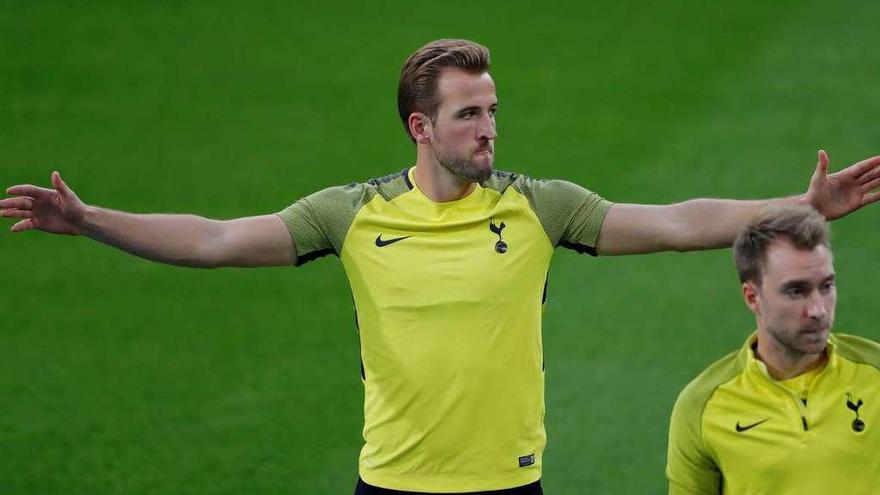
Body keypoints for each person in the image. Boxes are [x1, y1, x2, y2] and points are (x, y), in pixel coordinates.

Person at [3, 39, 880, 494]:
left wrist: (798, 208)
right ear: (421, 128)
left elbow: (677, 221)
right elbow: (217, 239)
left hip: (509, 487)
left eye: (493, 110)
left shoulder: (541, 206)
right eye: (468, 115)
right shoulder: (352, 214)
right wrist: (89, 223)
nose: (489, 129)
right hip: (391, 488)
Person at [665, 205, 880, 495]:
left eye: (826, 286)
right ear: (752, 297)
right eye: (796, 291)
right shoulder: (702, 405)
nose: (818, 310)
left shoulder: (874, 373)